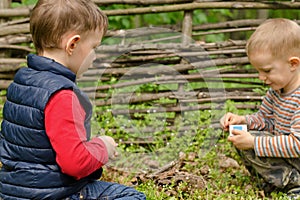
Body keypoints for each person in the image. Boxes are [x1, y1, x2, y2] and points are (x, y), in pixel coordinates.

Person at [0, 0, 146, 199]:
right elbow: (74, 163)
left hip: (12, 191)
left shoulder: (22, 82)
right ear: (73, 44)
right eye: (94, 47)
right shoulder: (61, 95)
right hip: (54, 193)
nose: (94, 56)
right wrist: (103, 146)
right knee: (131, 196)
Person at [220, 18, 300, 199]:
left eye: (267, 70)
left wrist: (255, 143)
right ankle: (278, 180)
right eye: (258, 71)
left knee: (252, 140)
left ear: (293, 64)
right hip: (288, 155)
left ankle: (295, 183)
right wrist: (243, 121)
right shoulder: (276, 91)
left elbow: (297, 144)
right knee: (242, 135)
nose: (261, 77)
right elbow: (266, 121)